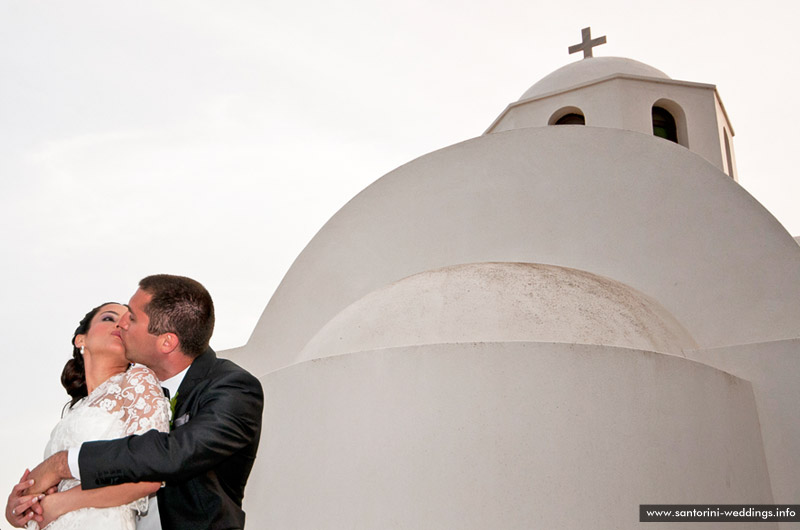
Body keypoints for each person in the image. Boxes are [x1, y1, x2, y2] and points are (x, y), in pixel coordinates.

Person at [18, 275, 264, 530]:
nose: (121, 325)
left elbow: (171, 454)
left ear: (167, 342)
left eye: (132, 317)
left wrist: (62, 464)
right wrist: (25, 502)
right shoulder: (111, 395)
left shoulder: (233, 388)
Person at [5, 303, 170, 529]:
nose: (120, 324)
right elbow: (46, 480)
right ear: (81, 339)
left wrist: (62, 502)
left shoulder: (138, 380)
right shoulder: (76, 409)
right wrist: (16, 506)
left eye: (129, 321)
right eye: (109, 318)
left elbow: (149, 473)